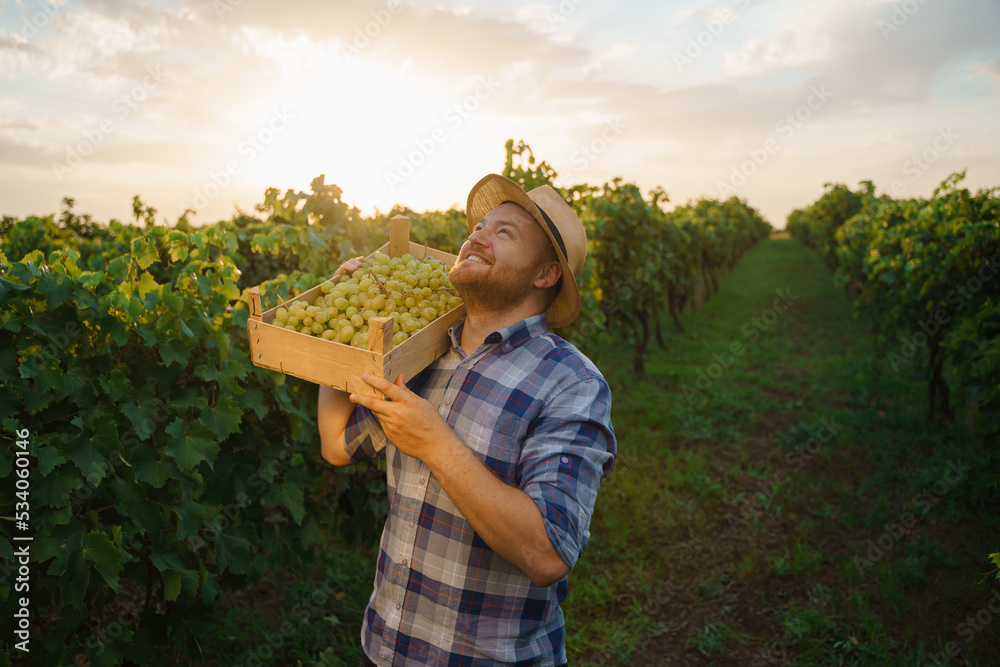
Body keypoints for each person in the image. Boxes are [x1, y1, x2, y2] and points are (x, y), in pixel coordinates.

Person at [317, 173, 617, 666]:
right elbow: (335, 443)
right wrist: (338, 339)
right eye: (480, 226)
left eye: (505, 233)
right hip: (387, 649)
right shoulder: (421, 356)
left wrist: (436, 443)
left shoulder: (570, 383)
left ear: (545, 275)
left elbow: (547, 554)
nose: (477, 235)